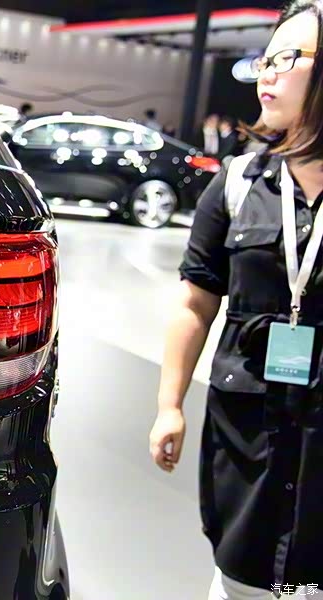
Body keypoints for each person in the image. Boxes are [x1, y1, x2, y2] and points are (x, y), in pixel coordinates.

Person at [149, 1, 323, 598]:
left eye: (286, 58)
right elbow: (194, 303)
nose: (265, 73)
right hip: (247, 430)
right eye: (263, 60)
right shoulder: (237, 183)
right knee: (240, 579)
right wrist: (170, 405)